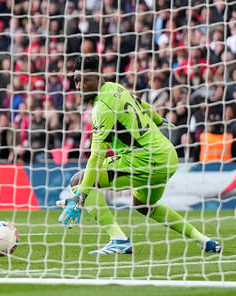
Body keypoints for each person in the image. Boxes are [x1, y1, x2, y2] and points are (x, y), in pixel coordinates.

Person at [57, 55, 221, 254]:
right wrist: (158, 119)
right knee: (144, 205)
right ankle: (204, 240)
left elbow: (97, 157)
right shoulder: (117, 88)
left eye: (85, 80)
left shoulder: (102, 108)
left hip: (145, 159)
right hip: (167, 156)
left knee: (78, 180)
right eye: (76, 80)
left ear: (98, 77)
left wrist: (80, 196)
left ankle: (118, 240)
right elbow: (144, 106)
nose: (79, 85)